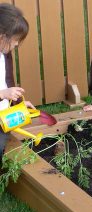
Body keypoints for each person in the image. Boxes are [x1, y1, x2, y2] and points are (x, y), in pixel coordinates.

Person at [0, 3, 35, 158]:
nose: (16, 44)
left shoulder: (4, 53)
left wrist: (17, 105)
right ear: (2, 36)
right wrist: (2, 94)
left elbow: (7, 81)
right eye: (15, 40)